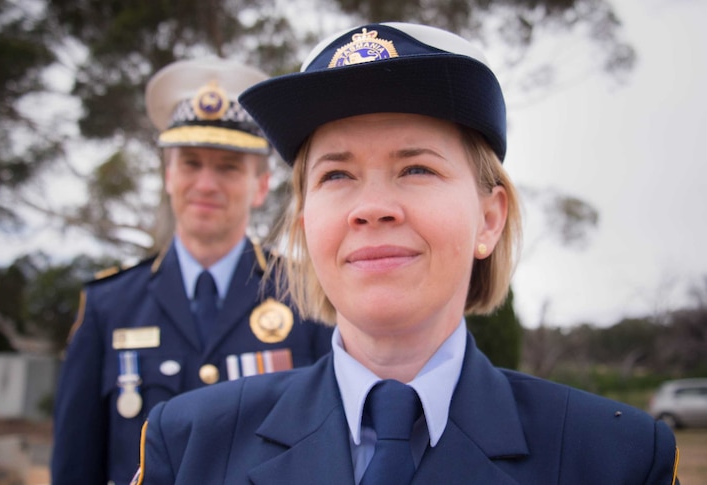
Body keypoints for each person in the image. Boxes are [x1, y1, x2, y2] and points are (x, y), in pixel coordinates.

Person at [133, 23, 680, 484]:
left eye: (416, 168)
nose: (371, 208)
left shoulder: (621, 459)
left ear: (489, 218)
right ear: (305, 223)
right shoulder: (187, 447)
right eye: (337, 174)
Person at [50, 58, 334, 485]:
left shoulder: (307, 293)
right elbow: (76, 465)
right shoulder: (108, 306)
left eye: (228, 166)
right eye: (190, 163)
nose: (206, 184)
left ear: (259, 185)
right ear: (168, 175)